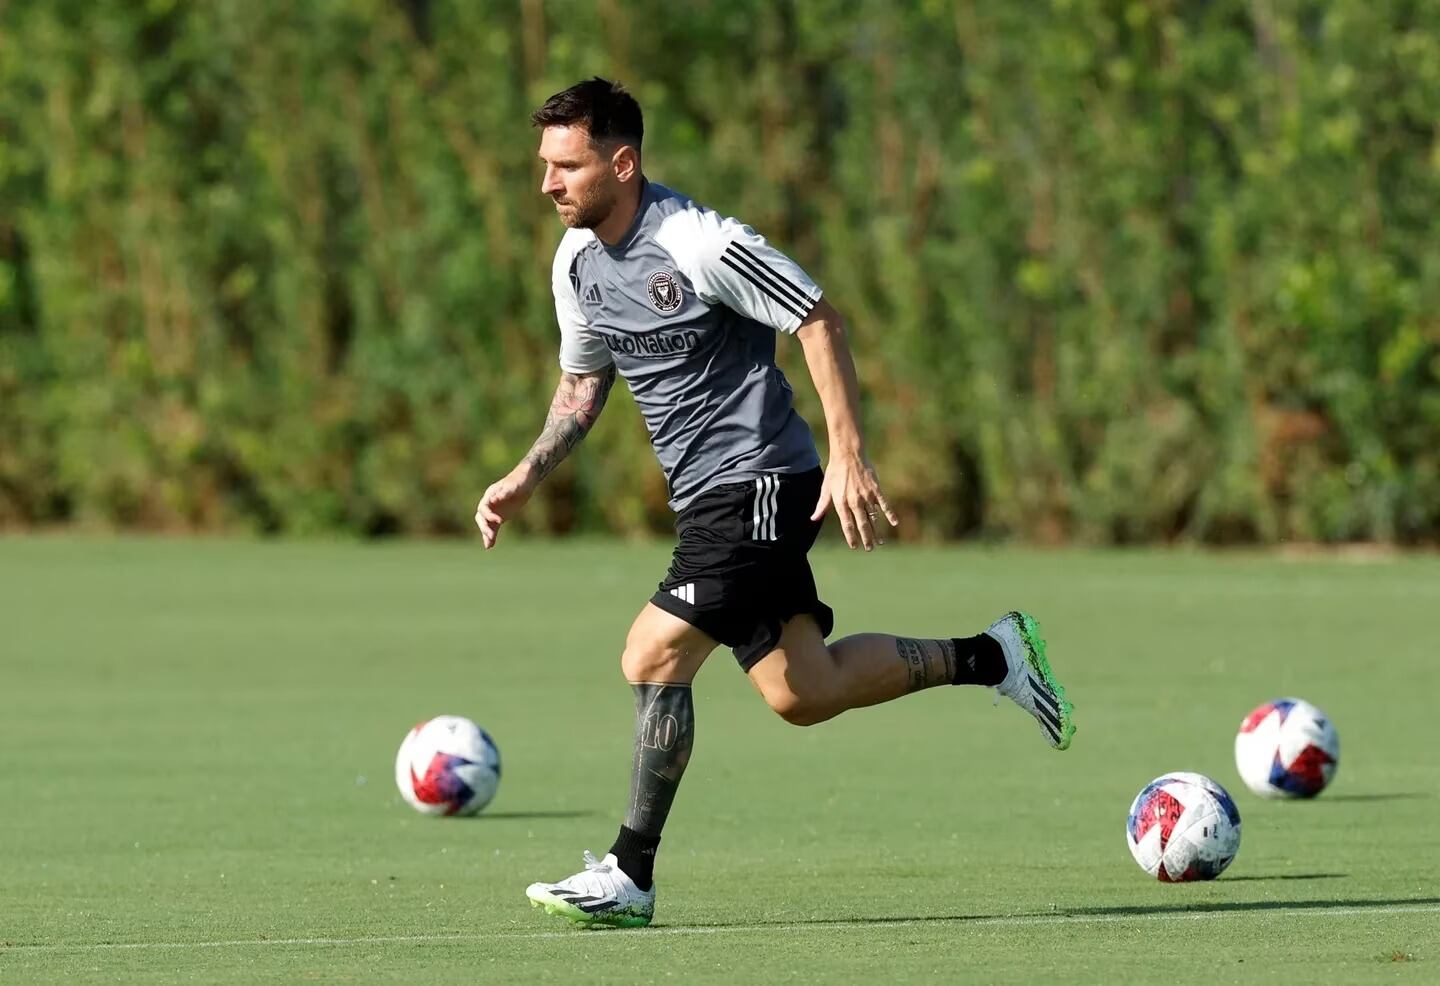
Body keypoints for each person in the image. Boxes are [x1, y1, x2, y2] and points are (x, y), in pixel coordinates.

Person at [474, 77, 1075, 929]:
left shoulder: (699, 241)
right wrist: (525, 475)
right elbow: (581, 387)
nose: (547, 184)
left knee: (649, 656)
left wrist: (848, 454)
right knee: (804, 690)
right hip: (707, 499)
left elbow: (817, 318)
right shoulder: (575, 264)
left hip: (759, 481)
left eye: (565, 166)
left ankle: (630, 873)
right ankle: (994, 655)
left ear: (623, 161)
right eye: (543, 165)